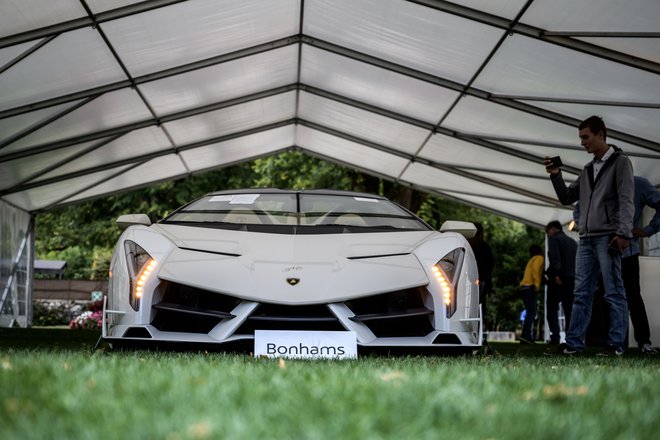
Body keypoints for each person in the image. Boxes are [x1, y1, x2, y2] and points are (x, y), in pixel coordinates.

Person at [544, 115, 634, 356]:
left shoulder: (621, 162)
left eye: (586, 137)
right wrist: (555, 174)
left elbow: (627, 200)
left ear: (601, 135)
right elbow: (566, 197)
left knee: (613, 292)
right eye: (581, 138)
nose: (582, 142)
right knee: (581, 293)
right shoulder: (587, 169)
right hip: (586, 239)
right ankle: (574, 345)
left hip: (608, 237)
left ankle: (616, 345)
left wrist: (624, 234)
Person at [622, 176, 660, 354]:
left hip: (627, 250)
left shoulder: (638, 183)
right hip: (600, 251)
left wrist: (647, 230)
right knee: (606, 297)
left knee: (633, 297)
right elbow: (580, 208)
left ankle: (644, 342)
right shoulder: (599, 181)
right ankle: (612, 343)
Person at [544, 221, 577, 346]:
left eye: (548, 231)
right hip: (572, 280)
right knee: (569, 311)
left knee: (552, 309)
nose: (548, 234)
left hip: (558, 280)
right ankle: (570, 338)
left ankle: (555, 337)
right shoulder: (572, 242)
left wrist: (554, 274)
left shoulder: (554, 240)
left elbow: (555, 261)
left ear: (552, 229)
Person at [468, 222, 494, 334]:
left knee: (472, 305)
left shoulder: (470, 246)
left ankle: (473, 330)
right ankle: (477, 331)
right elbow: (491, 263)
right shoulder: (484, 246)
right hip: (481, 279)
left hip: (473, 279)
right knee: (479, 305)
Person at [519, 244, 544, 344]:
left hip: (524, 287)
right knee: (531, 312)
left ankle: (525, 336)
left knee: (529, 312)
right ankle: (526, 336)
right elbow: (536, 270)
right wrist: (537, 284)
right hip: (530, 286)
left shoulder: (531, 259)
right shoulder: (539, 258)